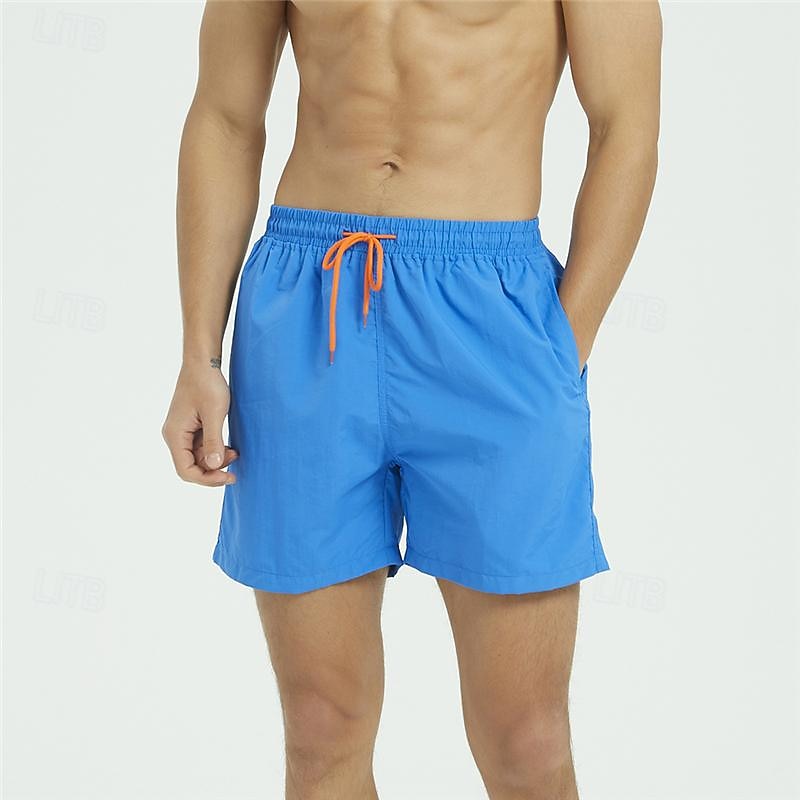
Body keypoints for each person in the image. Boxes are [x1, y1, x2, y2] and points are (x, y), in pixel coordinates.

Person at [162, 1, 661, 797]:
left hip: (492, 308)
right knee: (321, 728)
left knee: (527, 739)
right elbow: (225, 116)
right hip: (308, 304)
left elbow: (624, 125)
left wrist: (561, 347)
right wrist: (200, 353)